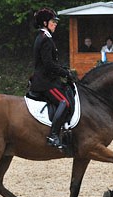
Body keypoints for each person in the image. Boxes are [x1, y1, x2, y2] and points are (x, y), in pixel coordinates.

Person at [30, 7, 76, 149]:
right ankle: (53, 135)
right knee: (64, 102)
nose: (55, 24)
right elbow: (48, 64)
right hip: (44, 82)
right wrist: (65, 73)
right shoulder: (45, 39)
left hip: (49, 79)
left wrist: (64, 70)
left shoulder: (46, 38)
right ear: (45, 23)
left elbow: (52, 62)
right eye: (53, 21)